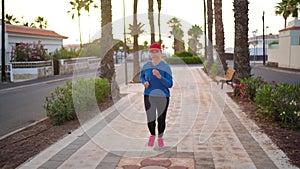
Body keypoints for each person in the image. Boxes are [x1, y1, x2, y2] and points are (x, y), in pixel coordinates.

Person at [140, 43, 173, 148]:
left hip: (163, 96)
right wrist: (144, 82)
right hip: (148, 95)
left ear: (160, 52)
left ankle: (160, 138)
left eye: (156, 51)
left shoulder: (165, 66)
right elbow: (142, 77)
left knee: (161, 118)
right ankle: (152, 135)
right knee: (150, 118)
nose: (154, 54)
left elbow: (170, 84)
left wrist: (160, 77)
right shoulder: (146, 66)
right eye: (152, 51)